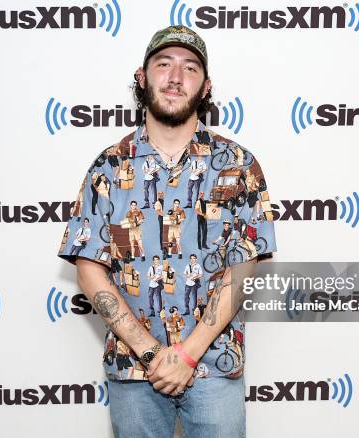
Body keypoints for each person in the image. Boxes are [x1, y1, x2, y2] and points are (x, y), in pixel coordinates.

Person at [57, 25, 278, 438]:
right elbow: (89, 269)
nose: (176, 77)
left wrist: (189, 354)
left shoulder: (238, 164)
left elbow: (243, 268)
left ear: (206, 86)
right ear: (142, 78)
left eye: (190, 67)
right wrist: (152, 352)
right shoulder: (108, 165)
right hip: (134, 369)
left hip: (214, 366)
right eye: (164, 64)